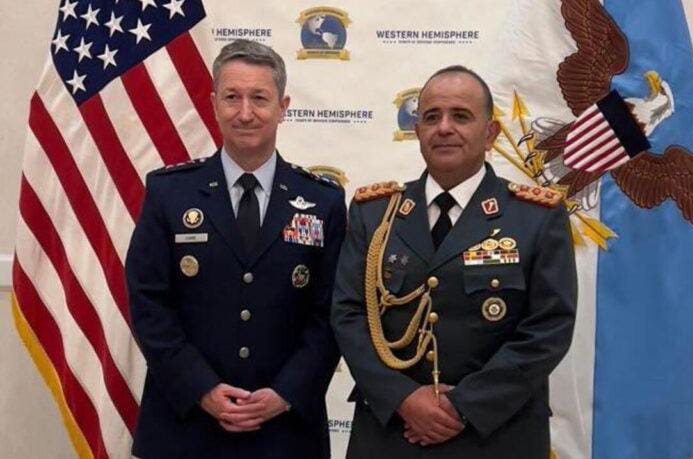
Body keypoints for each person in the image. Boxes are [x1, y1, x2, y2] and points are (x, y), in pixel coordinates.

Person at [332, 65, 577, 458]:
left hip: (495, 434)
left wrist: (464, 406)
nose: (444, 128)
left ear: (490, 133)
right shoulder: (375, 213)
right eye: (432, 117)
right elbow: (348, 314)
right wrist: (404, 398)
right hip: (391, 432)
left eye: (461, 116)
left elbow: (549, 327)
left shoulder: (535, 217)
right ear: (417, 131)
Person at [126, 39, 346, 458]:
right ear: (213, 104)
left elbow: (332, 312)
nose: (245, 113)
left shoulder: (324, 201)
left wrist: (286, 392)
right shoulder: (169, 193)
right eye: (232, 97)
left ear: (283, 107)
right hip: (185, 426)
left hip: (285, 432)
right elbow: (148, 302)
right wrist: (201, 387)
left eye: (259, 98)